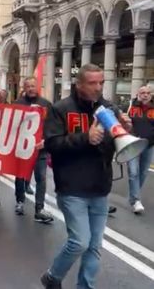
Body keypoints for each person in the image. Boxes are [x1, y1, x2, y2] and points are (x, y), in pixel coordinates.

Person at [41, 64, 132, 289]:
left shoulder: (108, 108)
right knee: (80, 242)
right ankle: (52, 277)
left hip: (99, 187)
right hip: (72, 187)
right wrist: (85, 138)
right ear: (78, 84)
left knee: (94, 246)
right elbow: (52, 144)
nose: (98, 88)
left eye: (100, 82)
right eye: (92, 83)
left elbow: (111, 147)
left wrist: (122, 132)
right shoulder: (60, 109)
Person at [14, 76, 54, 224]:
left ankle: (39, 208)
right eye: (28, 86)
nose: (31, 88)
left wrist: (46, 140)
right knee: (20, 176)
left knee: (41, 178)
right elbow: (12, 125)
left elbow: (51, 125)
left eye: (33, 86)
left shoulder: (46, 104)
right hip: (22, 148)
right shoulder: (17, 104)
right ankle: (20, 201)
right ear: (24, 88)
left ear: (38, 87)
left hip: (40, 150)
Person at [125, 85, 153, 214]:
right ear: (138, 94)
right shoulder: (131, 106)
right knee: (133, 172)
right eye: (143, 92)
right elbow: (123, 121)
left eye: (148, 93)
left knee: (142, 173)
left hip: (149, 145)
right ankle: (135, 200)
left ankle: (134, 196)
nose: (145, 95)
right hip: (133, 144)